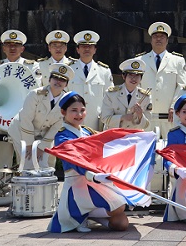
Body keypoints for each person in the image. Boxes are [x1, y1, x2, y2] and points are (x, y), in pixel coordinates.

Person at [48, 92, 129, 233]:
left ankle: (92, 217)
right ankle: (81, 214)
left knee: (121, 223)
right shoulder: (62, 136)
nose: (79, 114)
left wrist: (133, 138)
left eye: (82, 110)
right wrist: (91, 174)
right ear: (63, 112)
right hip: (77, 186)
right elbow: (73, 161)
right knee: (119, 207)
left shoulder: (87, 132)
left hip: (96, 183)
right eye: (74, 110)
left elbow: (107, 145)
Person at [0, 29, 42, 178]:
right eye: (9, 45)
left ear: (22, 49)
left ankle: (24, 193)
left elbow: (35, 95)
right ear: (3, 48)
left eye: (16, 45)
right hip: (1, 120)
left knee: (24, 161)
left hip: (24, 123)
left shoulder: (33, 67)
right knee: (1, 162)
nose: (12, 48)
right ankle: (0, 194)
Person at [8, 62, 72, 170]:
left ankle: (42, 187)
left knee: (43, 165)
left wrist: (41, 147)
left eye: (62, 80)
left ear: (66, 84)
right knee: (28, 164)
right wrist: (28, 144)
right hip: (21, 130)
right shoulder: (35, 94)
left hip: (42, 135)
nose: (58, 82)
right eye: (55, 78)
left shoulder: (67, 102)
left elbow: (56, 127)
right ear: (49, 80)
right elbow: (26, 119)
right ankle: (24, 186)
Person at [137, 22, 186, 138]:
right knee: (146, 151)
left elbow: (182, 86)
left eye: (162, 37)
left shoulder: (177, 61)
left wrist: (175, 106)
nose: (158, 39)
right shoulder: (140, 60)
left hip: (169, 117)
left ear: (167, 40)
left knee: (171, 151)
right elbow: (136, 86)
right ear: (151, 40)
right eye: (155, 36)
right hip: (146, 117)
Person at [67, 30, 113, 129]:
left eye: (90, 46)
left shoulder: (104, 71)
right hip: (72, 122)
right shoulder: (69, 70)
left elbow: (110, 98)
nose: (87, 49)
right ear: (78, 49)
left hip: (96, 122)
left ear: (95, 49)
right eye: (83, 46)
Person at [101, 58, 153, 130]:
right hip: (114, 135)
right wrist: (122, 118)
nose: (133, 79)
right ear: (124, 76)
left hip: (134, 136)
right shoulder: (111, 94)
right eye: (130, 75)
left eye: (137, 76)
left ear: (141, 78)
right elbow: (104, 118)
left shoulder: (145, 96)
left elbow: (147, 124)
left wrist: (140, 115)